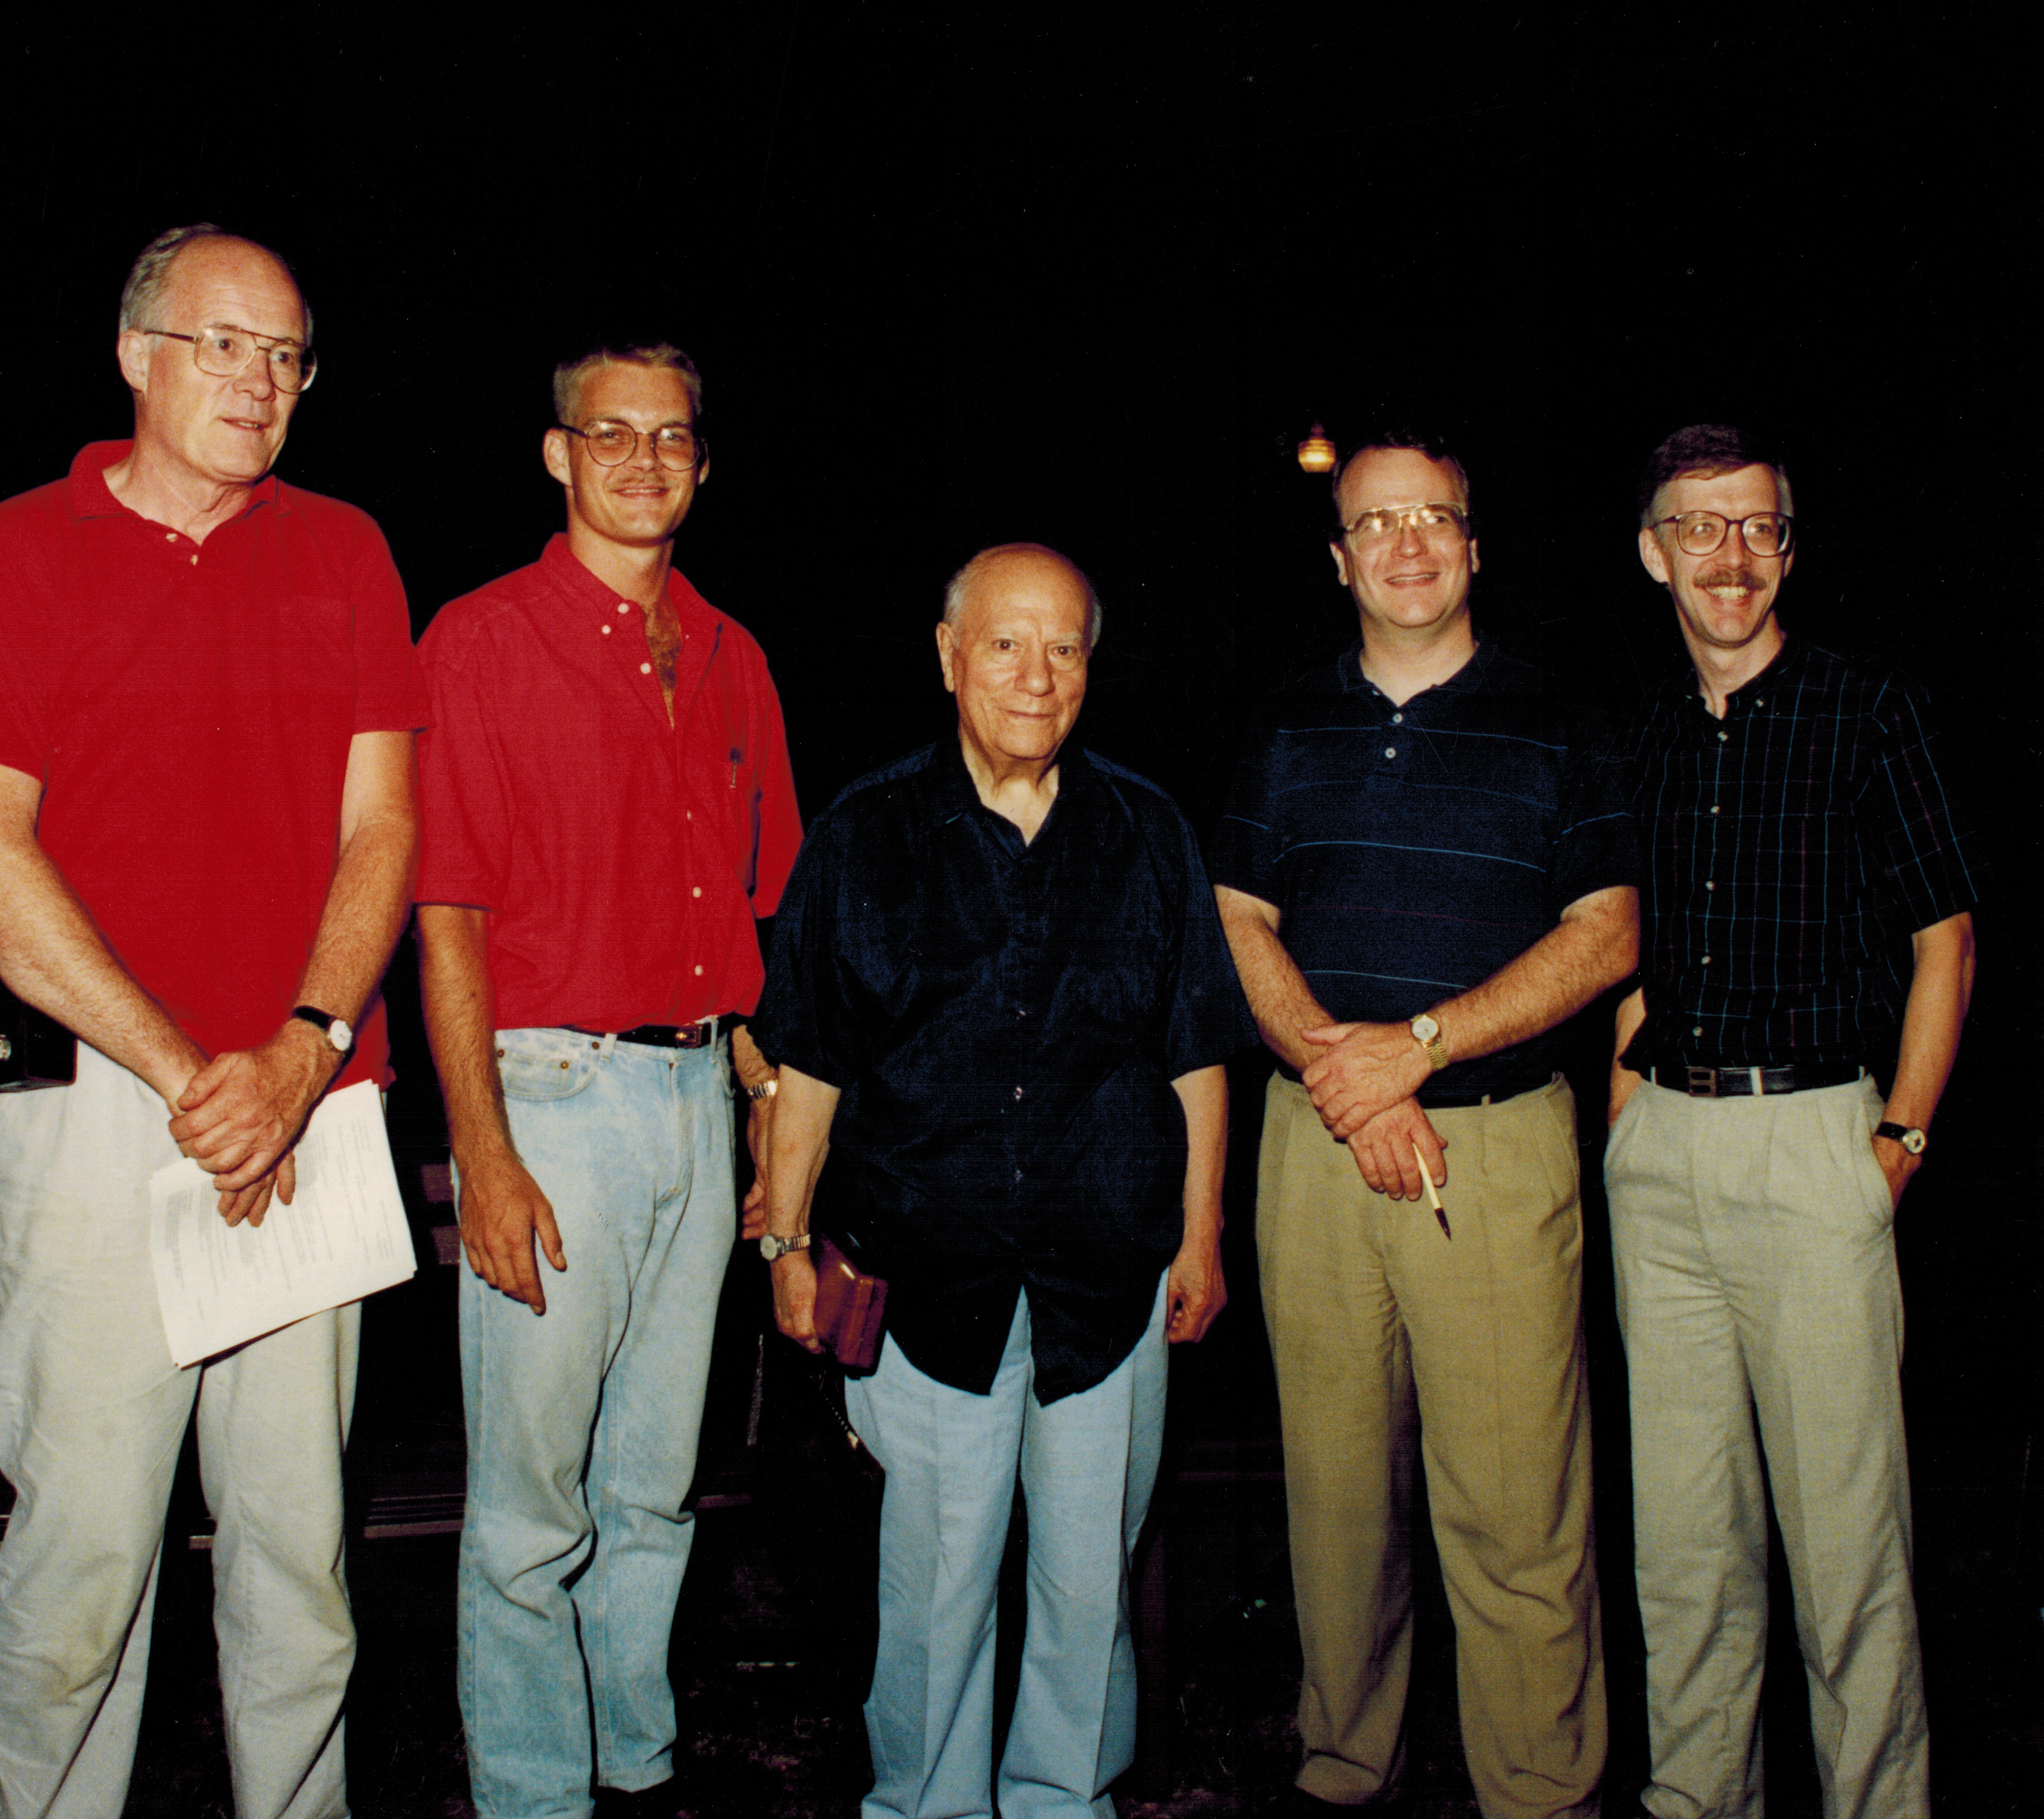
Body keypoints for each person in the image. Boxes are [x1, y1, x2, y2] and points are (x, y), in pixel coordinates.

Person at [0, 223, 421, 1819]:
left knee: (297, 1559)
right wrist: (196, 1074)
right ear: (137, 356)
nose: (260, 382)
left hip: (315, 1100)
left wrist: (300, 1046)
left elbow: (385, 832)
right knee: (83, 1561)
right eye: (224, 344)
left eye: (287, 355)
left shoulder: (347, 550)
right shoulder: (13, 550)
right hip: (103, 1113)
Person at [753, 544, 1250, 1819]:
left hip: (1109, 1280)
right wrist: (786, 1248)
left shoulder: (1149, 831)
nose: (1037, 675)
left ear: (1093, 666)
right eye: (1006, 644)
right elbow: (806, 1067)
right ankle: (926, 1803)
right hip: (923, 1286)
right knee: (934, 1585)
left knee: (1091, 1585)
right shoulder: (864, 833)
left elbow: (1197, 1051)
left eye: (1066, 647)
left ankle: (1061, 1800)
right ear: (947, 657)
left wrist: (1199, 1241)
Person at [1213, 432, 1635, 1817]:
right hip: (1312, 1149)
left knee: (1518, 1519)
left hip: (1498, 1150)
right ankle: (1346, 1769)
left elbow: (1607, 933)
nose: (1405, 544)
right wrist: (1349, 1078)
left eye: (1432, 520)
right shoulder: (1285, 722)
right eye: (1374, 523)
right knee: (1335, 1507)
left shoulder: (1562, 717)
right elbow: (1239, 920)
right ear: (1339, 558)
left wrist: (1421, 1049)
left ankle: (1540, 1792)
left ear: (1474, 545)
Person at [412, 341, 802, 1817]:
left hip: (702, 1099)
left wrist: (773, 1121)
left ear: (704, 463)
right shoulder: (481, 642)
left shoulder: (732, 654)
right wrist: (484, 1151)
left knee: (654, 1485)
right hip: (552, 1100)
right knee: (529, 1505)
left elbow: (764, 919)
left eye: (674, 437)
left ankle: (631, 1768)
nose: (644, 460)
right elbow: (447, 916)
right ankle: (528, 1791)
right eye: (612, 433)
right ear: (558, 454)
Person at [1608, 424, 1978, 1819]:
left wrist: (1902, 1145)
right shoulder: (1637, 733)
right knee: (1686, 1554)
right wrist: (1624, 1121)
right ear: (1656, 555)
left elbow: (1949, 938)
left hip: (1820, 1146)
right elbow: (1626, 950)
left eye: (1759, 528)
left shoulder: (1868, 709)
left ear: (1788, 552)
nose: (1733, 555)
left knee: (1846, 1552)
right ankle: (1700, 1802)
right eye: (1702, 528)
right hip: (1665, 1166)